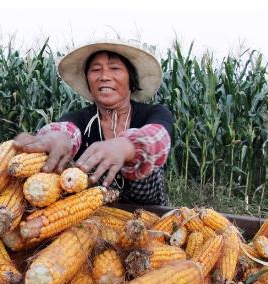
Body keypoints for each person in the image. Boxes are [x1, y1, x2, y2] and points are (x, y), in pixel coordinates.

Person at [14, 39, 172, 205]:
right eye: (96, 70)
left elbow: (158, 137)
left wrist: (127, 146)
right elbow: (66, 130)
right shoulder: (80, 119)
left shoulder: (154, 113)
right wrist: (57, 137)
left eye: (115, 68)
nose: (104, 76)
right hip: (95, 218)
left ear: (130, 79)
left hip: (149, 216)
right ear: (88, 81)